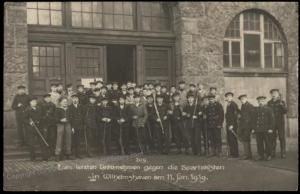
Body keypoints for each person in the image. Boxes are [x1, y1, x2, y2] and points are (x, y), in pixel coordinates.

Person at [23, 97, 49, 161]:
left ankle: (45, 158)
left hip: (40, 127)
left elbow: (44, 116)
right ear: (30, 103)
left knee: (42, 142)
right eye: (33, 101)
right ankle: (33, 158)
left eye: (35, 101)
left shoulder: (39, 108)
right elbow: (24, 119)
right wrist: (29, 122)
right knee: (31, 143)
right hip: (31, 128)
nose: (34, 102)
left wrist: (42, 121)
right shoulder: (27, 110)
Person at [253, 96, 275, 161]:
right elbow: (254, 120)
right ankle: (260, 155)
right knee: (259, 143)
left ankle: (268, 155)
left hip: (266, 129)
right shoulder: (256, 110)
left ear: (264, 101)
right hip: (258, 129)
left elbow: (272, 120)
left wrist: (271, 128)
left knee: (268, 143)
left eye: (262, 101)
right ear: (257, 102)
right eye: (259, 101)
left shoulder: (269, 109)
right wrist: (254, 128)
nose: (260, 102)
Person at [267, 89, 287, 159]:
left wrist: (281, 105)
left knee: (281, 137)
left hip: (280, 123)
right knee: (272, 138)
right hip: (272, 123)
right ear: (271, 94)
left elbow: (285, 111)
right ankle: (273, 152)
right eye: (272, 93)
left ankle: (283, 152)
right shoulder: (269, 103)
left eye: (275, 93)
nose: (274, 94)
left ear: (278, 94)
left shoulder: (281, 102)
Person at [55, 97, 73, 161]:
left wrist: (68, 119)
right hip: (60, 125)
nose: (65, 103)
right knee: (59, 140)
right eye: (63, 102)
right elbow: (55, 119)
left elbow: (71, 117)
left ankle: (68, 153)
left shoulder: (69, 109)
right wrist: (60, 120)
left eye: (66, 102)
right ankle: (57, 155)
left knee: (68, 139)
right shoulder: (58, 109)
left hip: (68, 124)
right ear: (60, 102)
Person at [238, 94, 255, 160]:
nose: (242, 100)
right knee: (245, 139)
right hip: (243, 126)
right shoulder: (242, 106)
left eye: (243, 99)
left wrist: (253, 127)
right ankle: (247, 154)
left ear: (246, 98)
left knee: (246, 139)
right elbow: (243, 116)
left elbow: (253, 117)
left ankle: (247, 155)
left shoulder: (250, 106)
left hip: (248, 126)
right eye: (241, 99)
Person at [69, 94, 86, 159]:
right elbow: (70, 118)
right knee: (73, 141)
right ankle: (73, 154)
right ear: (72, 99)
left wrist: (83, 124)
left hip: (80, 126)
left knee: (79, 140)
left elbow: (83, 116)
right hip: (73, 127)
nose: (75, 100)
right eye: (73, 98)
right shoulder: (70, 107)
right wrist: (72, 127)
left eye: (76, 98)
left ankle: (78, 154)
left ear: (78, 99)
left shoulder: (81, 106)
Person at [224, 92, 239, 158]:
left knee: (233, 140)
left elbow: (235, 116)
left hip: (233, 125)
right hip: (229, 124)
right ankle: (232, 153)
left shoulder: (234, 104)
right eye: (227, 97)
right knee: (230, 139)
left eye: (230, 96)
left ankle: (235, 154)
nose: (228, 98)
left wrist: (232, 125)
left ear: (232, 97)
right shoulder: (228, 104)